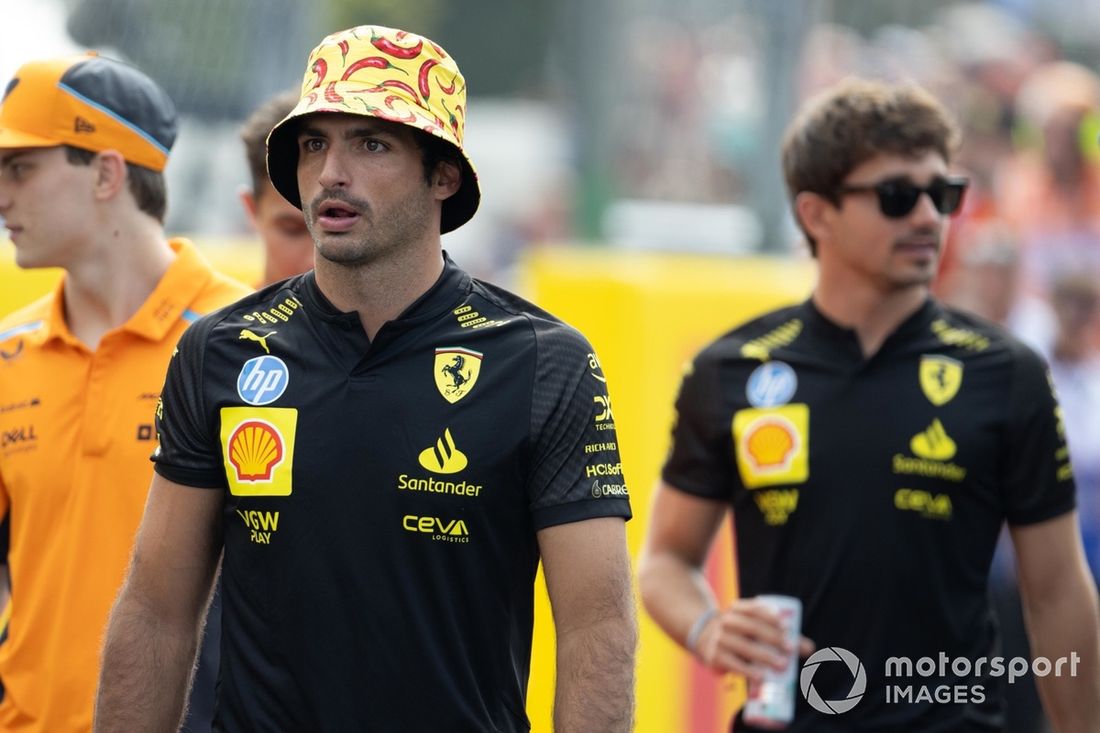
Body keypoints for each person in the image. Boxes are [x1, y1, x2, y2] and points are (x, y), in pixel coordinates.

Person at [95, 24, 637, 732]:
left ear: (443, 175)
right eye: (315, 143)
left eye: (370, 143)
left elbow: (597, 629)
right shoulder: (219, 351)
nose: (330, 174)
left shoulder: (545, 362)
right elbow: (156, 610)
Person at [638, 78, 1100, 732]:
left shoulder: (1006, 373)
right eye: (896, 196)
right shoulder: (733, 371)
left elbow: (1055, 590)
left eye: (942, 195)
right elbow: (664, 559)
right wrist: (707, 625)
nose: (927, 218)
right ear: (815, 213)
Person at [0, 52, 251, 732]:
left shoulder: (250, 344)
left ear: (107, 172)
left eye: (20, 168)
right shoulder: (6, 355)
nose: (1, 196)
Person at [238, 89, 314, 286]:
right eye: (293, 230)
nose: (314, 261)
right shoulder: (209, 314)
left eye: (341, 227)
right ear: (251, 209)